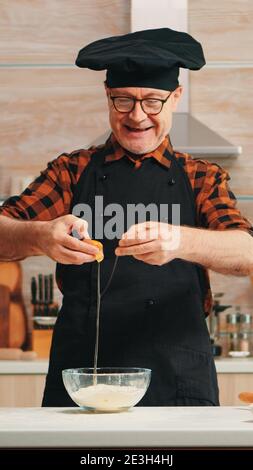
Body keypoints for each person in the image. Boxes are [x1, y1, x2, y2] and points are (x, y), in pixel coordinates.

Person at [0, 28, 252, 407]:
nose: (137, 116)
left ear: (175, 98)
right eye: (123, 101)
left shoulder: (201, 176)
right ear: (107, 96)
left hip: (180, 381)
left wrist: (181, 242)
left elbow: (246, 253)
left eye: (152, 101)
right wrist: (41, 236)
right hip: (83, 380)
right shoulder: (72, 170)